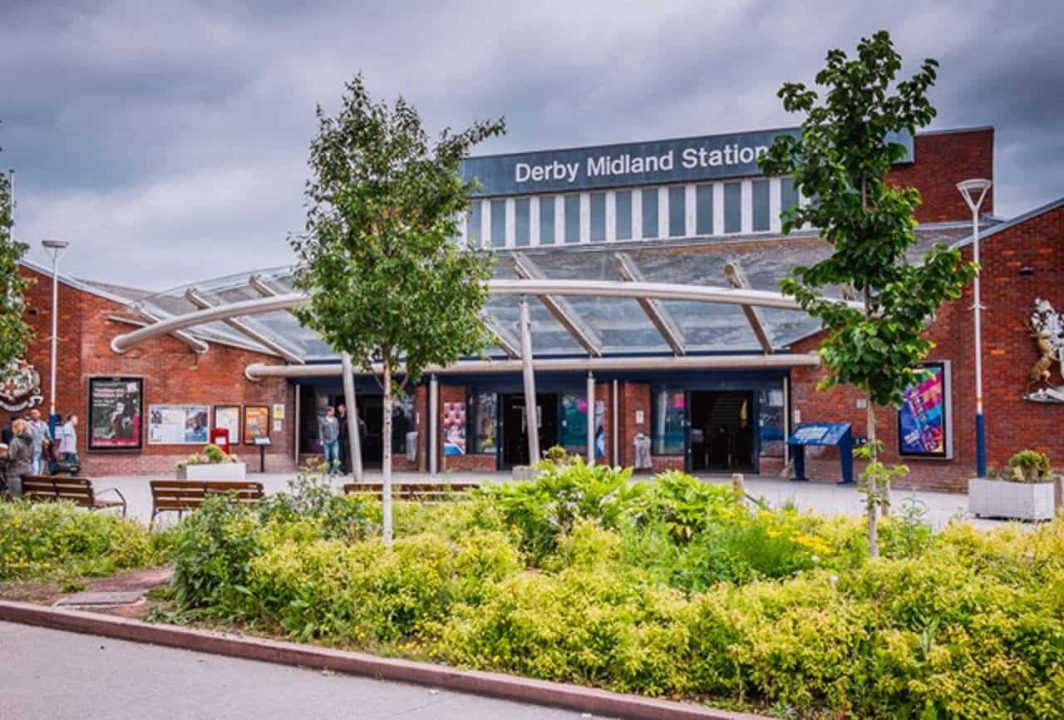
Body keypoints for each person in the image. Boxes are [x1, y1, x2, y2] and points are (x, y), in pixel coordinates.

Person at [7, 418, 34, 498]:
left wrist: (4, 455)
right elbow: (32, 457)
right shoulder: (30, 441)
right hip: (27, 470)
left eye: (13, 427)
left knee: (16, 498)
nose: (12, 430)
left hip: (15, 472)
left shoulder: (15, 441)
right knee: (26, 497)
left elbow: (12, 457)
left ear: (16, 428)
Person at [27, 408, 51, 476]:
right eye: (32, 413)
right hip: (33, 448)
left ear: (39, 414)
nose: (34, 415)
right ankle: (34, 478)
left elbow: (48, 435)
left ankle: (39, 477)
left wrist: (47, 441)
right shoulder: (28, 424)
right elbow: (27, 436)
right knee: (34, 464)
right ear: (31, 415)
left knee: (42, 464)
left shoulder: (44, 424)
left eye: (36, 413)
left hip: (43, 447)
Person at [318, 406, 340, 474]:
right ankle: (326, 470)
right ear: (328, 412)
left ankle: (334, 470)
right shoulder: (322, 420)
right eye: (332, 411)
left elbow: (337, 429)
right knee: (327, 457)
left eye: (333, 411)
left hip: (334, 441)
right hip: (326, 441)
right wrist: (321, 440)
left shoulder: (335, 419)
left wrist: (336, 436)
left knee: (335, 456)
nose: (333, 412)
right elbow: (321, 430)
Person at [336, 403, 351, 475]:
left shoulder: (349, 417)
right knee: (340, 454)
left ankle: (347, 470)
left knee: (346, 454)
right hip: (339, 438)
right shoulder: (337, 417)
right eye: (339, 408)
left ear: (345, 408)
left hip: (346, 438)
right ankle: (341, 469)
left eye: (341, 408)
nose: (340, 409)